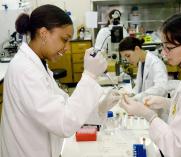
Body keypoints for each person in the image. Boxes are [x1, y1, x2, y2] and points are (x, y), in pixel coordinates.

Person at [0, 5, 120, 157]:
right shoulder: (25, 70)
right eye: (64, 40)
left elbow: (64, 105)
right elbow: (64, 123)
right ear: (43, 33)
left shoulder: (38, 64)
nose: (67, 48)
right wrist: (89, 76)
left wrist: (100, 108)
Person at [120, 12, 181, 157]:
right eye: (163, 46)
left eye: (169, 47)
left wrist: (148, 115)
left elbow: (176, 147)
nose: (164, 52)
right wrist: (167, 103)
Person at [119, 36, 168, 101]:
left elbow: (161, 89)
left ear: (137, 49)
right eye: (125, 58)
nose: (128, 60)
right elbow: (139, 87)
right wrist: (131, 94)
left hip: (155, 108)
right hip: (143, 105)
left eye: (128, 56)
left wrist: (138, 97)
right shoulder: (141, 62)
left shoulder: (156, 64)